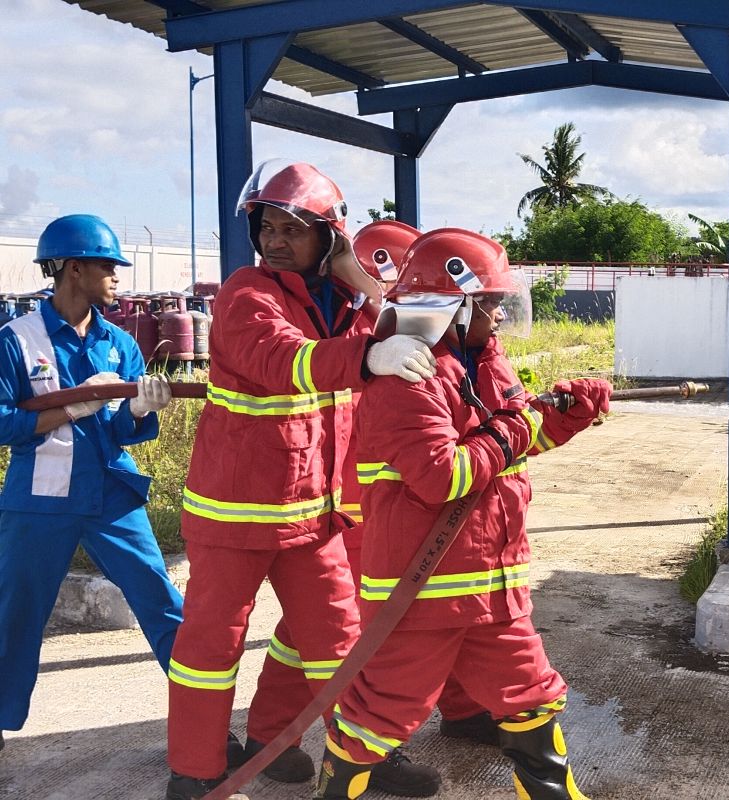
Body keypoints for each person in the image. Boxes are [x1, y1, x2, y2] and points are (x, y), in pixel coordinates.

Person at [163, 161, 441, 800]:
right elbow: (281, 360)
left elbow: (419, 332)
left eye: (295, 228)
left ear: (330, 238)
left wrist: (359, 280)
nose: (278, 239)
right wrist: (368, 355)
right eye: (269, 226)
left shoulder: (344, 300)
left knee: (343, 641)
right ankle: (196, 767)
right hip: (234, 515)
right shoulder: (246, 292)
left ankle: (352, 754)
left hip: (312, 514)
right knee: (210, 647)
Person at [313, 228, 611, 800]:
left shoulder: (485, 365)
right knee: (380, 717)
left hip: (493, 591)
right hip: (422, 595)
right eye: (491, 304)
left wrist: (567, 417)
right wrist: (517, 425)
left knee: (532, 697)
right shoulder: (407, 380)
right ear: (451, 306)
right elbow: (443, 478)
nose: (499, 316)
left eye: (501, 303)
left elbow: (512, 443)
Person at [241, 219, 497, 794]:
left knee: (441, 608)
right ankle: (278, 733)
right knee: (332, 628)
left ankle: (459, 708)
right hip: (357, 504)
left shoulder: (401, 326)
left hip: (389, 501)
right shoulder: (358, 323)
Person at [0, 214, 177, 752]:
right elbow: (5, 421)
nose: (118, 275)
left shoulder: (120, 342)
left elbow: (124, 429)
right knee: (14, 613)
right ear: (73, 269)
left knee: (164, 604)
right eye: (108, 265)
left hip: (112, 497)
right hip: (39, 500)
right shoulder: (16, 339)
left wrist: (143, 411)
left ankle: (204, 719)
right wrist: (76, 406)